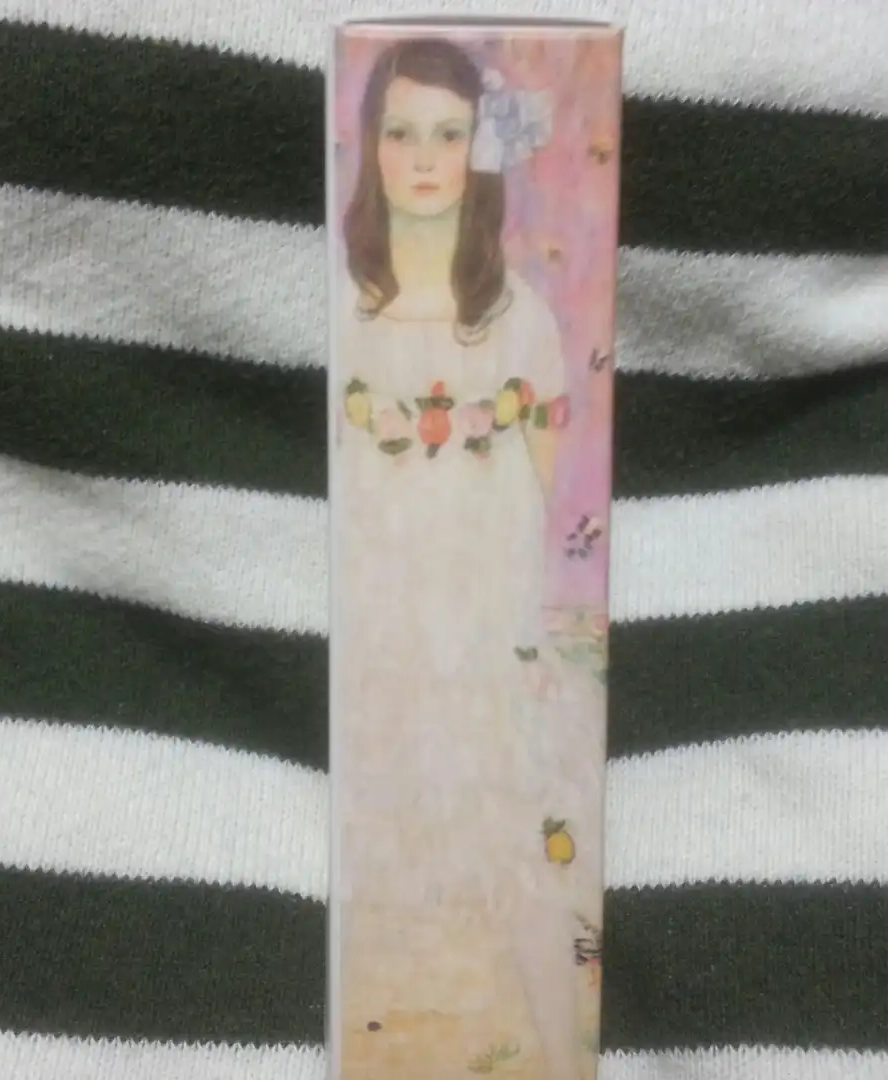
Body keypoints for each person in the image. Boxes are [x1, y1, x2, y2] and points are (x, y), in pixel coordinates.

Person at [331, 36, 601, 1079]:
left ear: (479, 150)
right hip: (371, 641)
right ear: (371, 143)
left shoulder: (517, 320)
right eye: (402, 132)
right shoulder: (342, 313)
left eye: (448, 135)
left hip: (480, 637)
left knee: (507, 836)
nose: (423, 158)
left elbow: (539, 481)